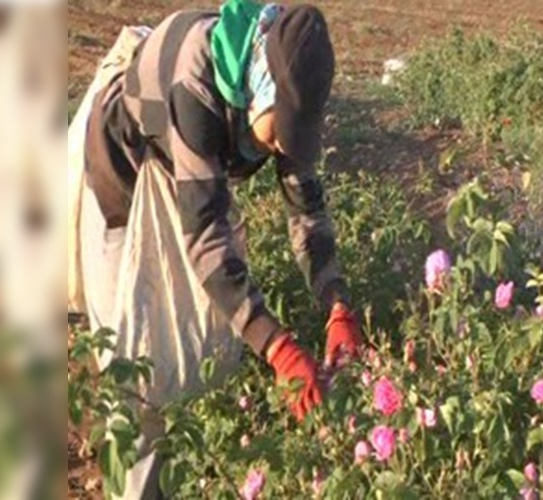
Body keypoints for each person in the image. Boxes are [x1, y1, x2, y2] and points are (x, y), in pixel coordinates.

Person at [66, 2, 360, 497]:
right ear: (259, 89)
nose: (284, 149)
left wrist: (336, 304)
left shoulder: (285, 96)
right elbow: (206, 234)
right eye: (280, 133)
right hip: (124, 182)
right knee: (135, 367)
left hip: (192, 184)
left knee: (200, 351)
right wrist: (280, 348)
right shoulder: (196, 78)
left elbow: (306, 210)